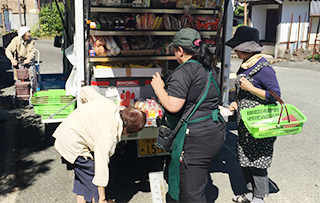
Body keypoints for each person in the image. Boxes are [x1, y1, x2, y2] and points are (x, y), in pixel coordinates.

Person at [151, 28, 226, 203]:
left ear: (180, 50)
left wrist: (159, 88)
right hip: (214, 131)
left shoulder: (184, 71)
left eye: (174, 50)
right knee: (197, 181)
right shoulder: (208, 68)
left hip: (196, 139)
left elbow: (173, 105)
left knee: (190, 193)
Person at [52, 86, 146, 203]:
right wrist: (102, 198)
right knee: (93, 180)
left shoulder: (109, 104)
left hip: (66, 133)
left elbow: (85, 90)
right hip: (74, 145)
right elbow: (101, 167)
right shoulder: (108, 134)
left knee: (83, 179)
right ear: (129, 130)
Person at [225, 26, 281, 203]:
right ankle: (250, 193)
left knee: (258, 162)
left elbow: (275, 95)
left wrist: (252, 88)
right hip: (246, 124)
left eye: (238, 47)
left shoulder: (263, 67)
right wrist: (237, 102)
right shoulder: (246, 65)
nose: (235, 50)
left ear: (248, 48)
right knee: (245, 159)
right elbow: (244, 93)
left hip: (260, 124)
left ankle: (259, 197)